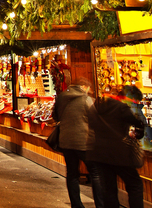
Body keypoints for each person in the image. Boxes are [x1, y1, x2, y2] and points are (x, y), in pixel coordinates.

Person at [87, 86, 146, 208]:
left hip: (99, 153)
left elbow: (90, 123)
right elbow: (138, 125)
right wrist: (136, 133)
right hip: (119, 153)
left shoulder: (98, 106)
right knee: (135, 184)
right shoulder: (122, 107)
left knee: (109, 188)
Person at [53, 77, 97, 208]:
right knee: (95, 173)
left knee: (72, 174)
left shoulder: (61, 98)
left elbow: (55, 116)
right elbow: (95, 119)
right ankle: (101, 204)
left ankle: (76, 205)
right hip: (84, 142)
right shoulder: (86, 99)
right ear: (84, 87)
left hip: (66, 141)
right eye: (88, 89)